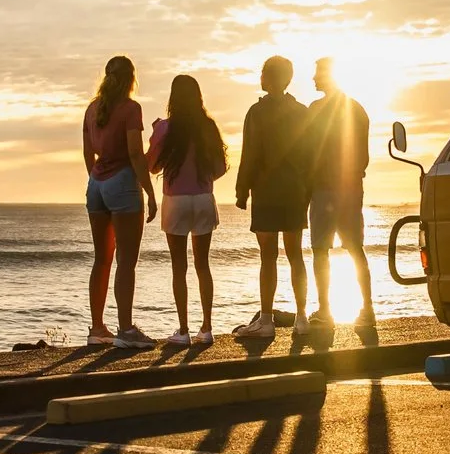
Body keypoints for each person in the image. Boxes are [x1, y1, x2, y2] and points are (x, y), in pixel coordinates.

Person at [232, 54, 311, 342]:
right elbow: (310, 155)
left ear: (269, 77)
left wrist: (242, 190)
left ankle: (266, 320)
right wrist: (307, 189)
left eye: (263, 72)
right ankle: (302, 317)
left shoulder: (257, 112)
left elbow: (250, 153)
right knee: (295, 256)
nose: (260, 77)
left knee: (268, 256)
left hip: (266, 190)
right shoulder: (301, 111)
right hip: (293, 190)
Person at [146, 74, 228, 348]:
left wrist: (154, 135)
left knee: (178, 267)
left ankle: (183, 329)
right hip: (203, 198)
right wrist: (202, 178)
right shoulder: (207, 126)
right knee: (203, 265)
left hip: (176, 201)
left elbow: (152, 166)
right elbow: (220, 167)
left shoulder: (166, 128)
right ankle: (206, 327)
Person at [81, 55, 156, 348]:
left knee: (102, 259)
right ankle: (125, 330)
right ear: (131, 78)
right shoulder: (130, 108)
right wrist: (149, 191)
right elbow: (136, 153)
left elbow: (88, 153)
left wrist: (97, 179)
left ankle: (97, 328)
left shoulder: (91, 109)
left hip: (96, 184)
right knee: (126, 261)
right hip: (122, 183)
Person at [305, 57, 374, 329]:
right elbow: (364, 157)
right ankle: (367, 308)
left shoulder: (316, 110)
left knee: (320, 249)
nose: (313, 78)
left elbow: (308, 152)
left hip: (324, 188)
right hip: (351, 188)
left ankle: (325, 311)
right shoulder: (358, 109)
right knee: (356, 248)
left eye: (317, 73)